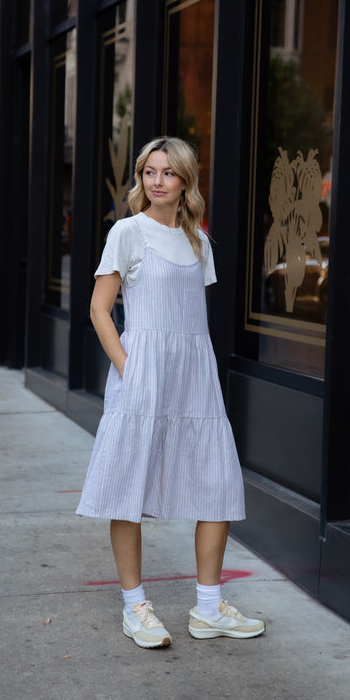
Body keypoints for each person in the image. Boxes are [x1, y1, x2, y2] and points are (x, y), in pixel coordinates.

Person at [77, 137, 266, 648]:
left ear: (185, 181)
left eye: (167, 172)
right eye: (148, 172)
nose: (156, 181)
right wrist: (129, 369)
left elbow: (189, 319)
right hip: (142, 372)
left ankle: (208, 609)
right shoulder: (127, 232)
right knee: (127, 488)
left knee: (217, 484)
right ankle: (135, 607)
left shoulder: (198, 241)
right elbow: (100, 310)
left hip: (194, 375)